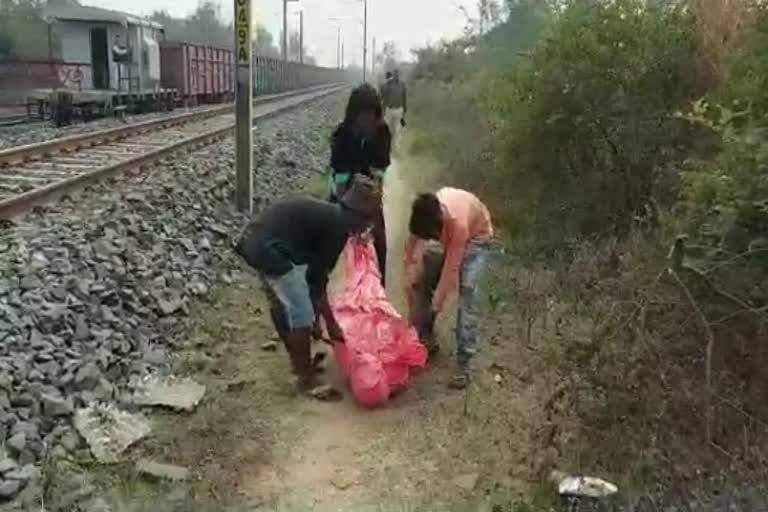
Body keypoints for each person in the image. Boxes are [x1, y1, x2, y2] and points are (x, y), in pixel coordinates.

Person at [235, 177, 382, 395]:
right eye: (366, 222)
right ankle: (305, 379)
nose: (365, 228)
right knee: (301, 312)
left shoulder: (331, 215)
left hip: (253, 240)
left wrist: (318, 315)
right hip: (268, 249)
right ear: (357, 216)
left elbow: (312, 278)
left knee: (283, 306)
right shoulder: (338, 228)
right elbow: (318, 281)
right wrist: (330, 324)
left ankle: (299, 364)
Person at [404, 188, 494, 390]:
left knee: (468, 293)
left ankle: (464, 363)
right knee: (423, 278)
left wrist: (434, 309)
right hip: (448, 235)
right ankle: (427, 339)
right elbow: (410, 253)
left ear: (437, 229)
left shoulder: (459, 226)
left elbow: (450, 272)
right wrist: (410, 281)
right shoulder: (424, 214)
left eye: (430, 236)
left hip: (477, 238)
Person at [330, 84, 392, 285]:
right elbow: (339, 173)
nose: (366, 121)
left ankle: (379, 290)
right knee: (329, 240)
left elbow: (379, 170)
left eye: (371, 116)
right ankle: (317, 294)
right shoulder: (342, 134)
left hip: (369, 192)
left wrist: (372, 199)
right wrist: (342, 205)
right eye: (362, 116)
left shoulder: (383, 133)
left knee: (379, 242)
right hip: (344, 190)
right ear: (353, 114)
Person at [379, 69, 407, 149]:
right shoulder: (387, 85)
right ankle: (389, 147)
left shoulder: (402, 85)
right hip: (389, 110)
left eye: (397, 74)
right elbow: (382, 96)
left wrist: (404, 111)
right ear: (393, 75)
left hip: (399, 110)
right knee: (389, 130)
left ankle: (396, 149)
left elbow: (404, 98)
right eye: (395, 74)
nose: (396, 76)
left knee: (397, 131)